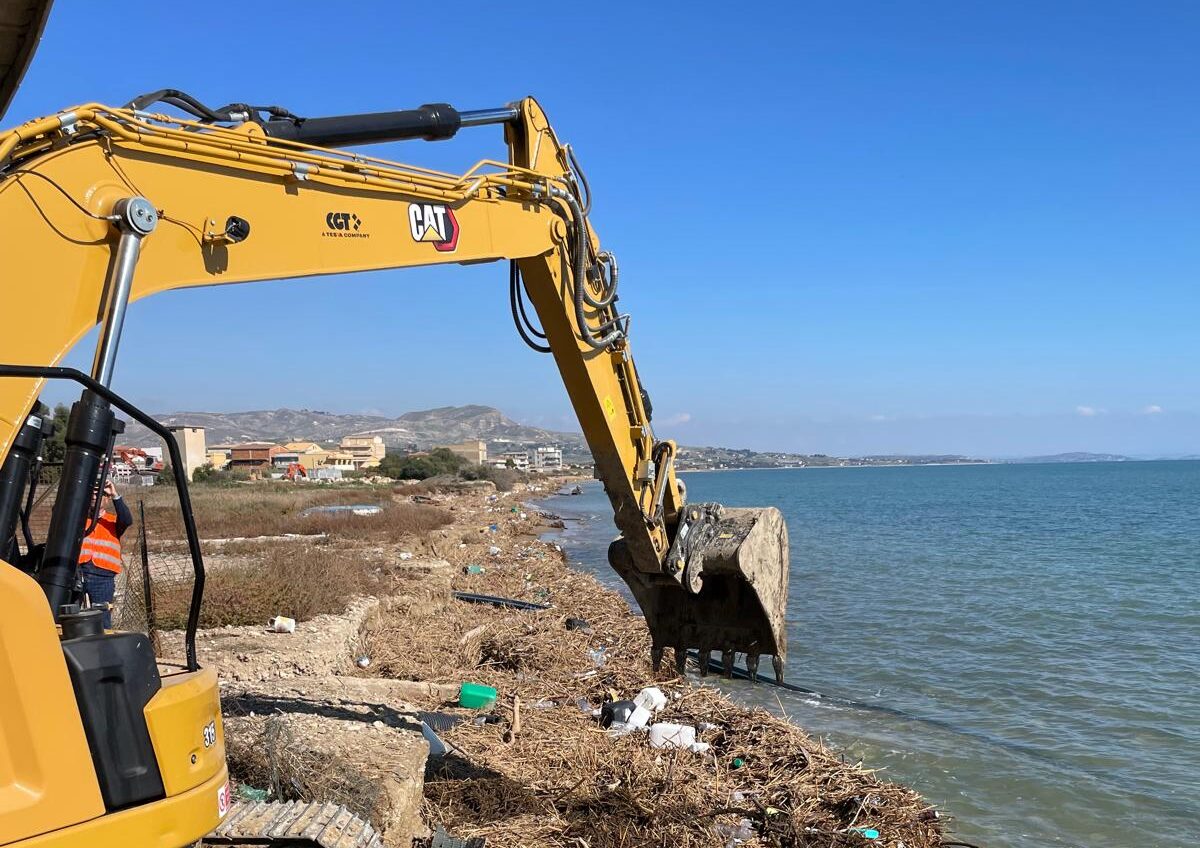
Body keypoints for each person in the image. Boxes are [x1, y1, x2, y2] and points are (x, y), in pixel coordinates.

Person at [79, 478, 132, 628]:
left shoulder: (113, 521)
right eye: (92, 493)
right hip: (77, 573)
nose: (95, 496)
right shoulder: (78, 518)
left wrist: (114, 493)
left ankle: (101, 649)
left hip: (102, 577)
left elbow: (127, 519)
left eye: (100, 493)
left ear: (108, 499)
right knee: (70, 615)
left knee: (102, 619)